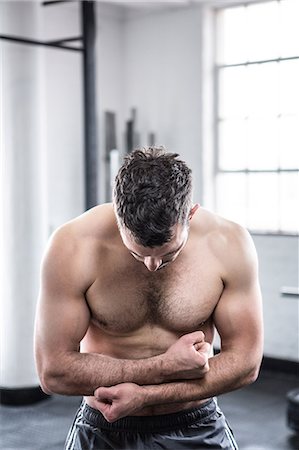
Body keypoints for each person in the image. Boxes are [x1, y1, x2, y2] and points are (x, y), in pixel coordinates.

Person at [34, 146, 263, 450]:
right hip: (106, 428)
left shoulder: (228, 243)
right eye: (136, 253)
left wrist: (146, 395)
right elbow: (53, 371)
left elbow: (246, 362)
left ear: (190, 213)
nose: (152, 265)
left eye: (169, 253)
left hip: (195, 423)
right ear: (118, 215)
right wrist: (163, 367)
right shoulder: (73, 245)